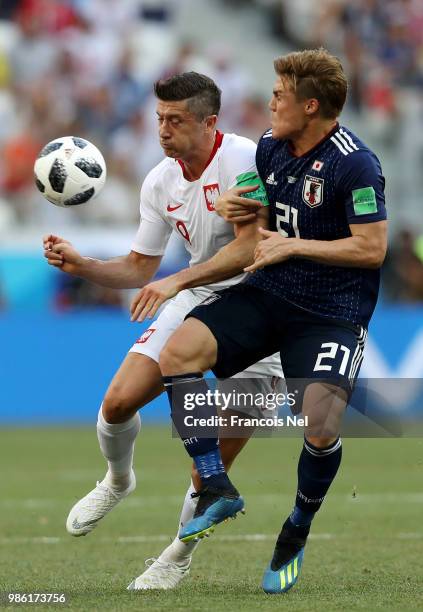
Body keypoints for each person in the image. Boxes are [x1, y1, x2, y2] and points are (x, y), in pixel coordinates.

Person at [158, 49, 387, 593]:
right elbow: (263, 214)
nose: (270, 102)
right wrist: (243, 207)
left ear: (310, 106)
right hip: (268, 294)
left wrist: (293, 246)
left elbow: (372, 248)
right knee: (178, 354)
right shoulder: (270, 146)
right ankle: (215, 484)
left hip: (330, 312)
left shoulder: (356, 164)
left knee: (320, 422)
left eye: (280, 95)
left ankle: (298, 526)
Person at [43, 71, 282, 590]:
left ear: (209, 122)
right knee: (117, 403)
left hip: (264, 309)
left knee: (209, 470)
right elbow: (137, 267)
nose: (163, 130)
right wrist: (82, 265)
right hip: (195, 299)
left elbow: (248, 248)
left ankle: (175, 556)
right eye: (159, 119)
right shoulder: (159, 181)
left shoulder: (245, 160)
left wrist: (175, 281)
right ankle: (117, 479)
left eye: (175, 120)